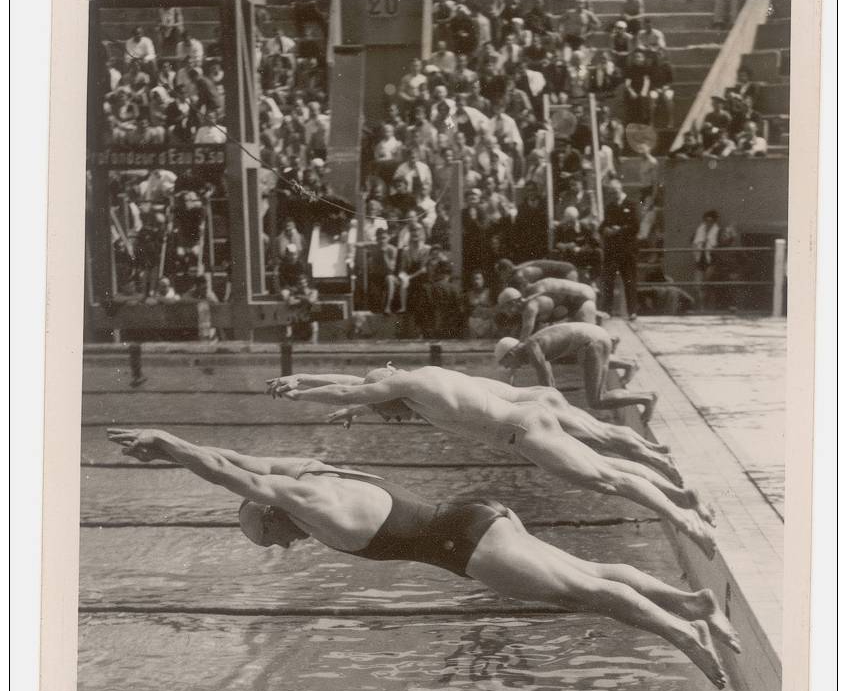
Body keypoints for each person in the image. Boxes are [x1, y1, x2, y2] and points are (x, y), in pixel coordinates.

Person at [108, 427, 733, 688]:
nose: (286, 547)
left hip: (466, 545)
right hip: (472, 515)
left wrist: (166, 444)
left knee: (584, 595)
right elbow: (243, 461)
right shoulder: (311, 472)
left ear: (274, 515)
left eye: (275, 540)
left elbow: (223, 471)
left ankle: (684, 633)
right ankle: (689, 602)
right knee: (591, 575)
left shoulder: (301, 498)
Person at [267, 365, 717, 557]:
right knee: (609, 466)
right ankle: (682, 494)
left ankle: (683, 518)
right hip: (528, 418)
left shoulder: (411, 388)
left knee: (609, 481)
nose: (399, 418)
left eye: (389, 410)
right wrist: (301, 375)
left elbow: (350, 389)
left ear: (393, 393)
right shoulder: (420, 379)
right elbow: (355, 385)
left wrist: (300, 393)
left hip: (523, 435)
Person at [493, 324, 662, 426]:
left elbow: (546, 384)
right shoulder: (531, 346)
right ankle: (630, 368)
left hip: (592, 342)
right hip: (593, 337)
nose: (510, 368)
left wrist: (553, 412)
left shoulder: (532, 350)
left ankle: (647, 398)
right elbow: (549, 379)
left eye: (507, 364)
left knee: (597, 400)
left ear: (511, 353)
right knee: (590, 370)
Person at [599, 178, 640, 320]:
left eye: (615, 190)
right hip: (612, 250)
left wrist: (619, 230)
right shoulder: (610, 206)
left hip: (628, 250)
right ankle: (607, 310)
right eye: (611, 191)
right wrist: (605, 230)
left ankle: (632, 311)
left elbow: (635, 226)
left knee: (629, 280)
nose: (613, 193)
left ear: (620, 188)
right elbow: (602, 226)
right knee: (608, 280)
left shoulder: (632, 204)